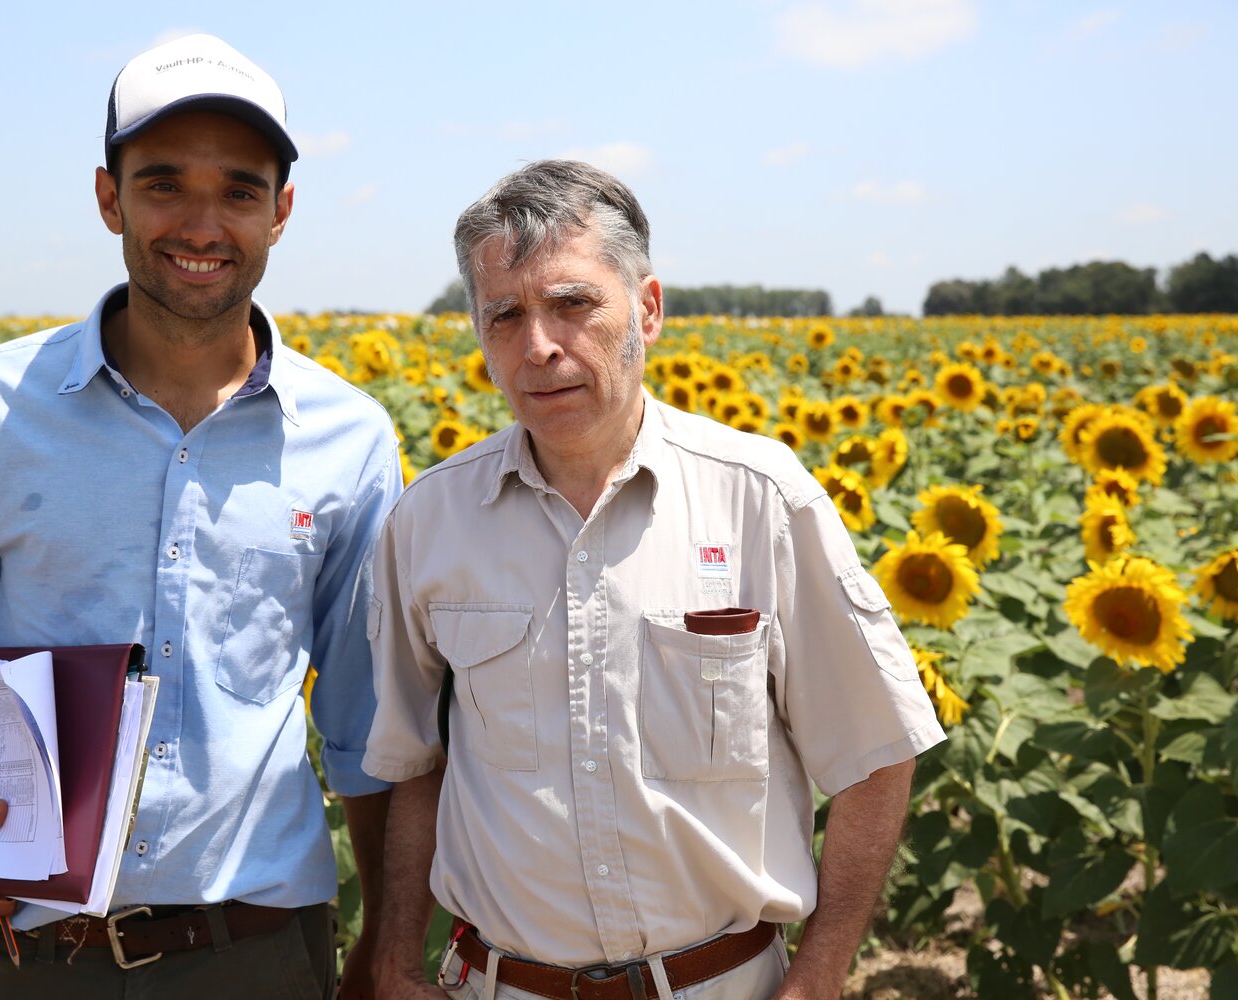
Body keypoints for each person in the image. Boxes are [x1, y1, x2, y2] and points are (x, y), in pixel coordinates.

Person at [0, 34, 398, 999]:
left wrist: (389, 945)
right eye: (162, 185)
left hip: (255, 950)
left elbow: (365, 714)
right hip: (30, 949)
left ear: (282, 211)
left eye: (238, 190)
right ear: (108, 197)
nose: (201, 222)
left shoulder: (347, 437)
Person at [364, 160, 947, 1000]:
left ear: (646, 308)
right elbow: (411, 765)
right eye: (505, 315)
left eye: (573, 304)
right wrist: (391, 963)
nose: (540, 347)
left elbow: (875, 752)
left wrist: (819, 976)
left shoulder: (760, 498)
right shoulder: (430, 521)